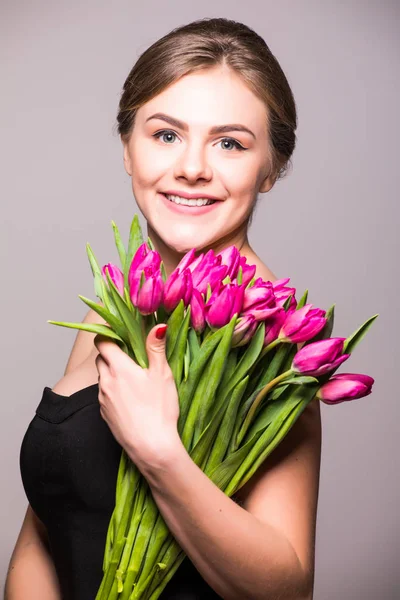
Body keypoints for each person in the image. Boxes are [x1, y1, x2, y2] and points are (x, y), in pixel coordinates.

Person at [6, 17, 321, 600]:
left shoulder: (272, 339)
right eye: (166, 134)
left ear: (271, 167)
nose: (193, 167)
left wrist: (160, 454)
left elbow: (287, 589)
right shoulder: (120, 299)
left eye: (230, 143)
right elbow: (49, 523)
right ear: (128, 148)